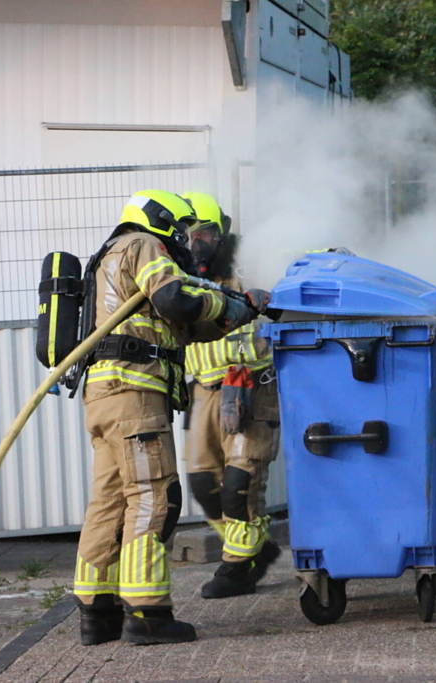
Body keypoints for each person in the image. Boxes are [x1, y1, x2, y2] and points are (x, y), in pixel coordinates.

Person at [72, 190, 269, 646]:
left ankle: (96, 612)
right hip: (135, 394)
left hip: (103, 395)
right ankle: (147, 613)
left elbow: (180, 327)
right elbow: (176, 301)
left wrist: (240, 312)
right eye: (180, 230)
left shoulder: (110, 255)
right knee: (154, 498)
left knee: (110, 503)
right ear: (160, 220)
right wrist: (228, 303)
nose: (183, 240)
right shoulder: (143, 244)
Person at [180, 191, 282, 599]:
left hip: (252, 385)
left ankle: (239, 564)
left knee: (240, 481)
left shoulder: (251, 261)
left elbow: (280, 298)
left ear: (220, 233)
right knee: (203, 482)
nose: (194, 243)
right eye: (186, 235)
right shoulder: (178, 272)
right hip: (202, 387)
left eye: (203, 233)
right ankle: (257, 546)